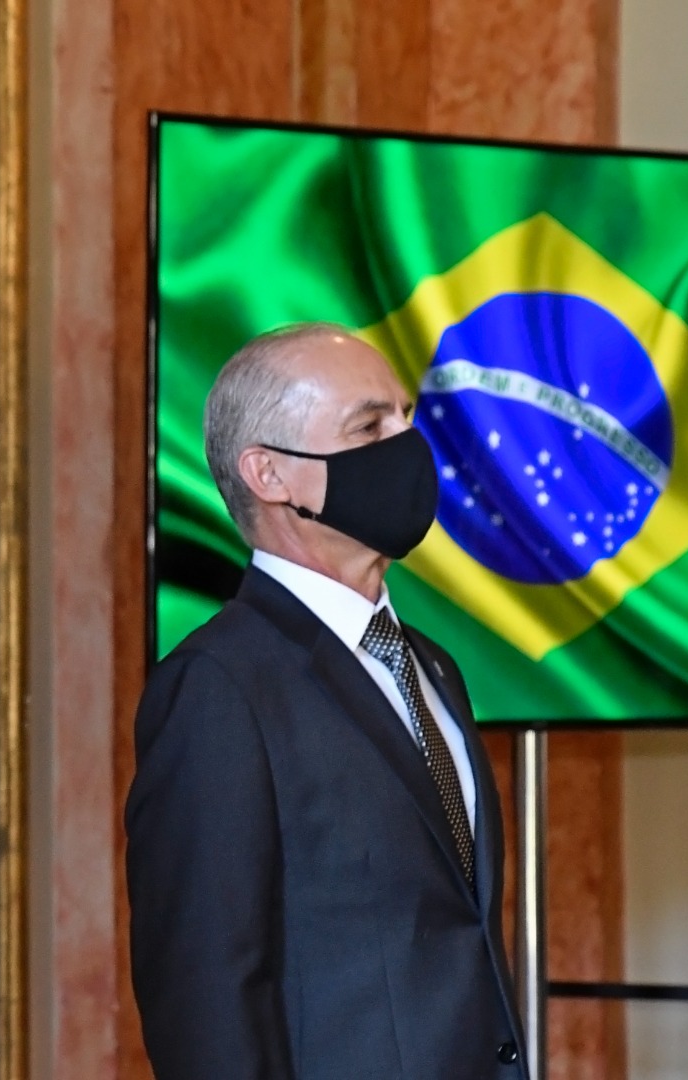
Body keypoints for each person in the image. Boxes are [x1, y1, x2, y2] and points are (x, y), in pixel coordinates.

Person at [125, 323, 525, 1080]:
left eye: (405, 417)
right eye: (369, 427)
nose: (409, 445)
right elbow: (207, 999)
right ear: (269, 474)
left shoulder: (433, 667)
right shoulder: (217, 686)